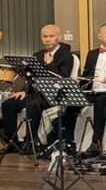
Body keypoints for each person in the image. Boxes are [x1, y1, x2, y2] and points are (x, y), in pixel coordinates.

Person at [0, 24, 78, 153]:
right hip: (35, 93)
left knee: (34, 104)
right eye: (44, 36)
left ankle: (31, 141)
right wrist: (25, 91)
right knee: (8, 105)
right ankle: (13, 143)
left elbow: (63, 78)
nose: (47, 39)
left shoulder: (66, 55)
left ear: (58, 37)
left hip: (55, 95)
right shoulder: (37, 55)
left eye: (51, 36)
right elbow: (31, 77)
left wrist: (49, 64)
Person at [81, 23, 106, 157]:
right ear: (99, 36)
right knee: (69, 105)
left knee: (102, 101)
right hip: (93, 92)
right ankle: (69, 143)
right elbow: (86, 75)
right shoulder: (92, 54)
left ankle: (97, 143)